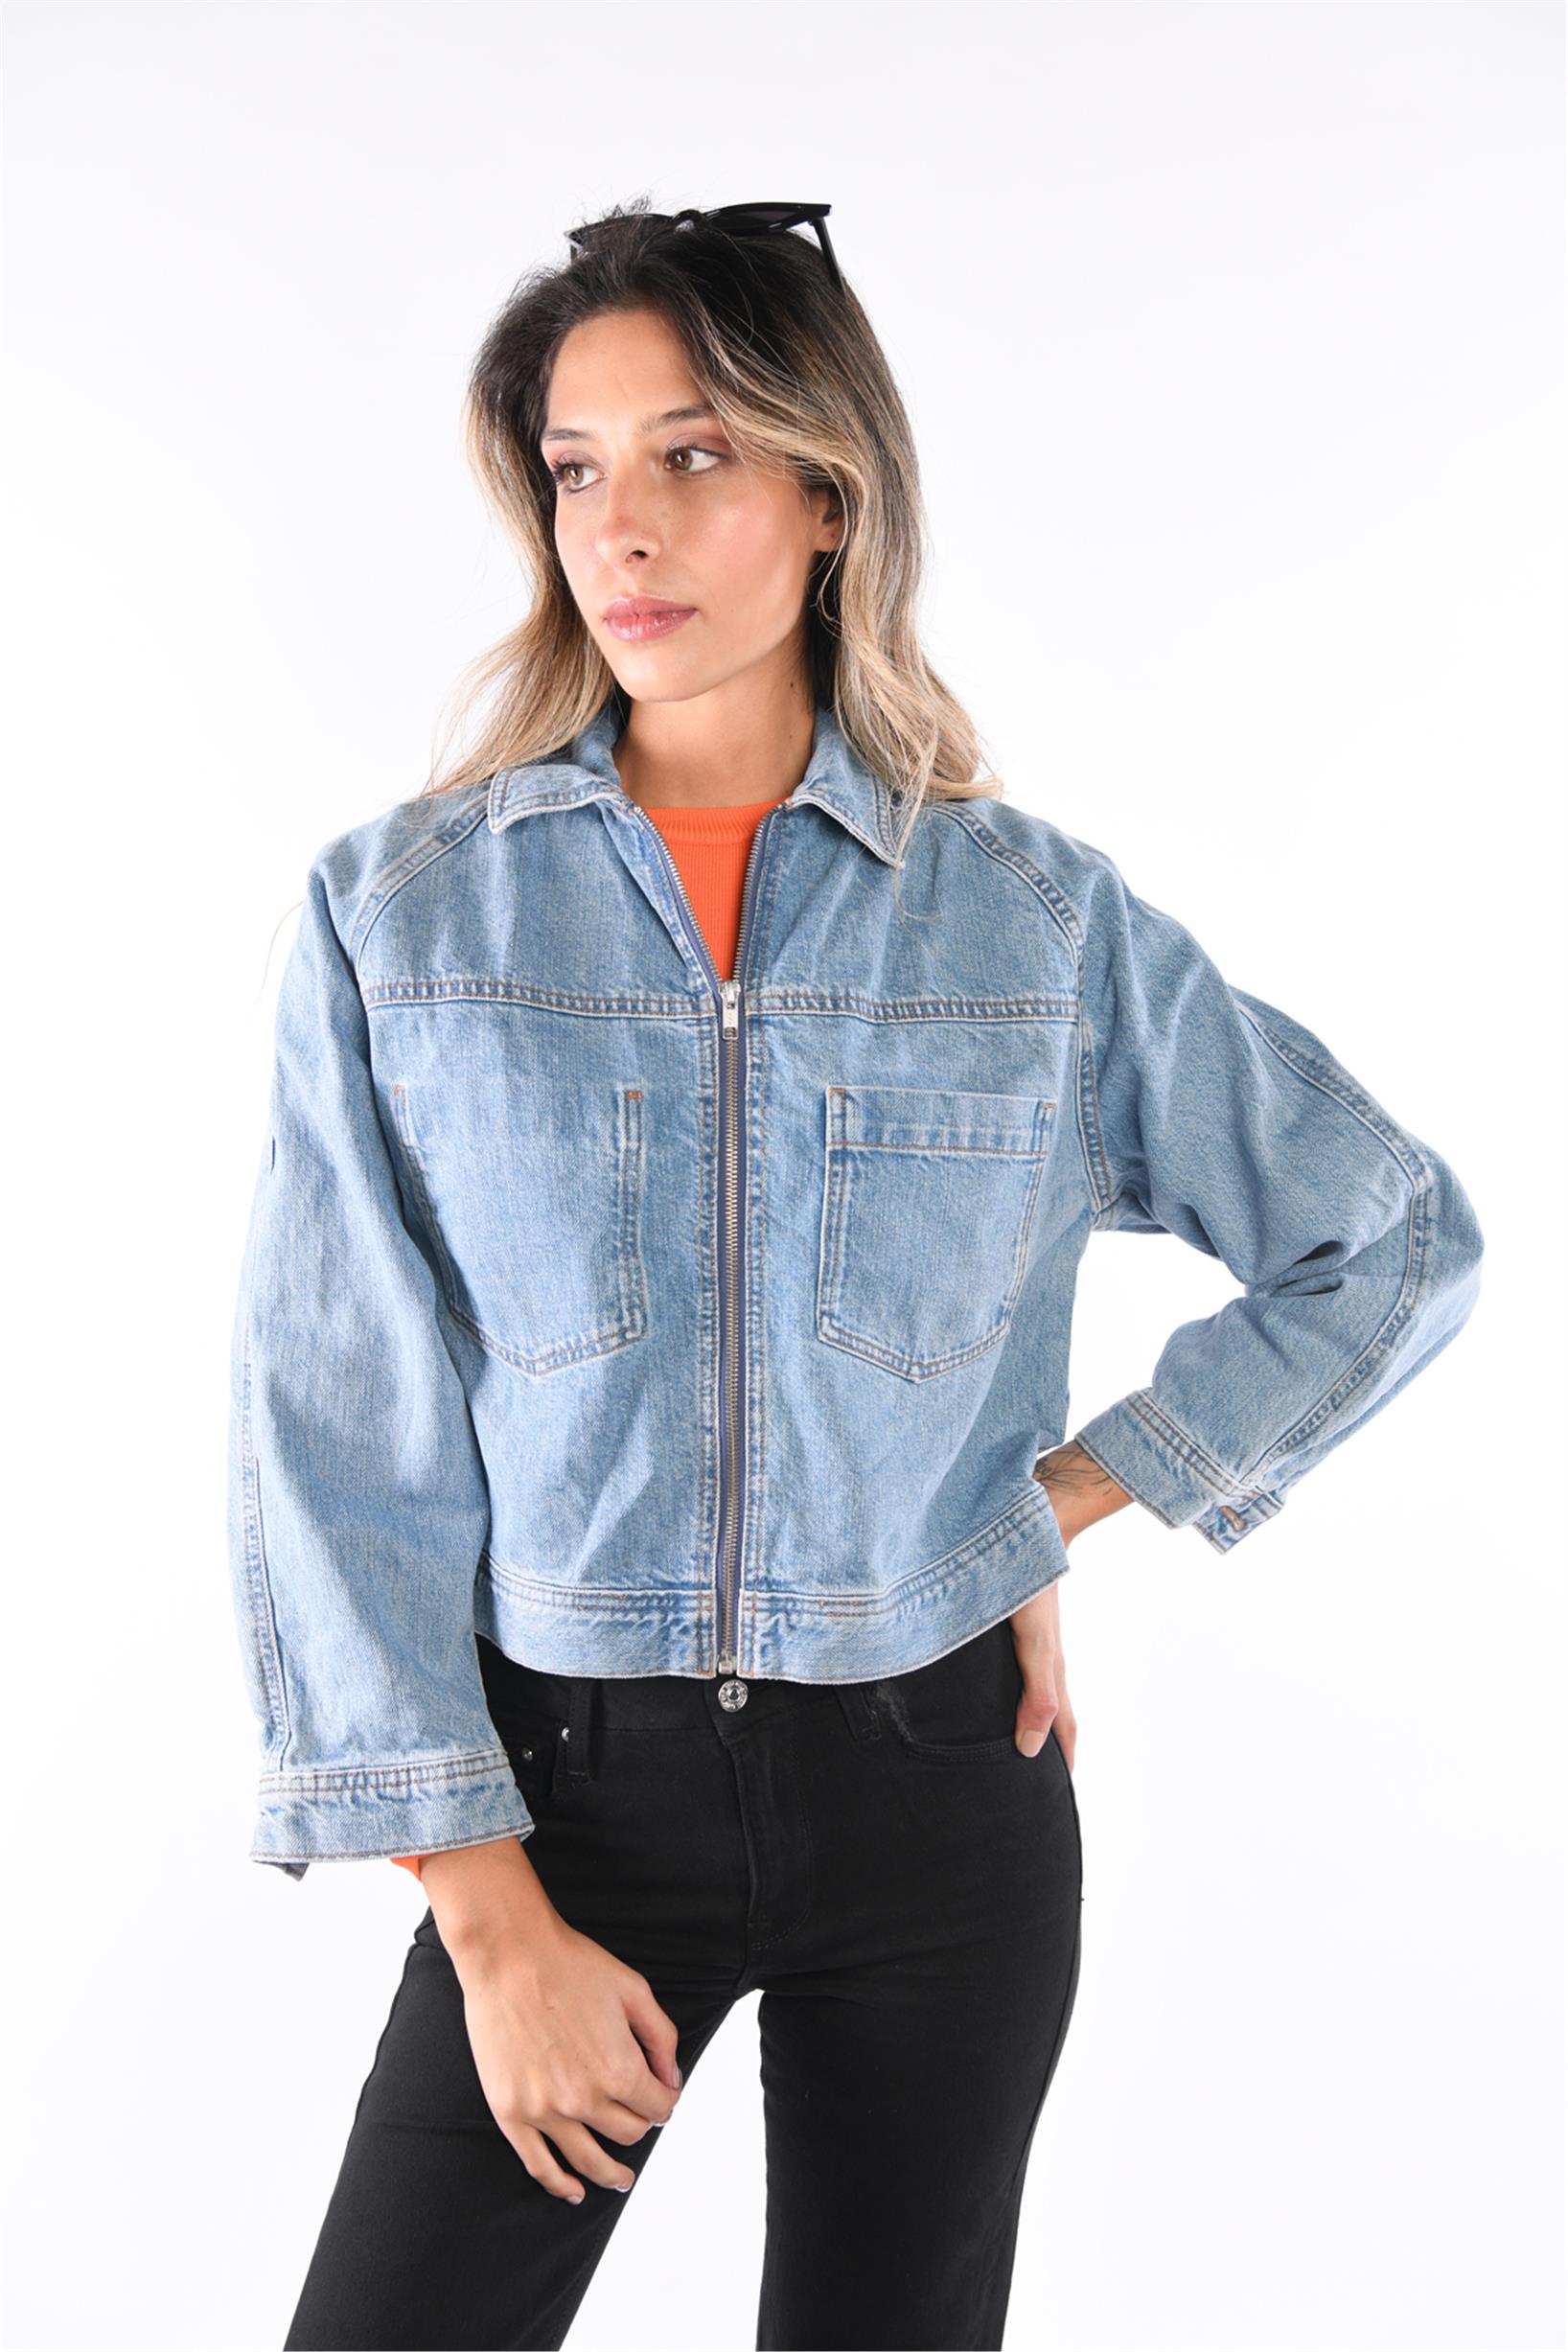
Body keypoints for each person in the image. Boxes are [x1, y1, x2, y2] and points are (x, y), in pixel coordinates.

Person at [226, 199, 1485, 2352]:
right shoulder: (405, 920)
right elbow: (335, 1434)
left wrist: (1048, 1504)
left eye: (695, 452)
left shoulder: (1030, 923)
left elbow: (1387, 1234)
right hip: (563, 1798)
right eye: (576, 468)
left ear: (831, 495)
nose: (622, 526)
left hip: (939, 1797)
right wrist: (488, 1920)